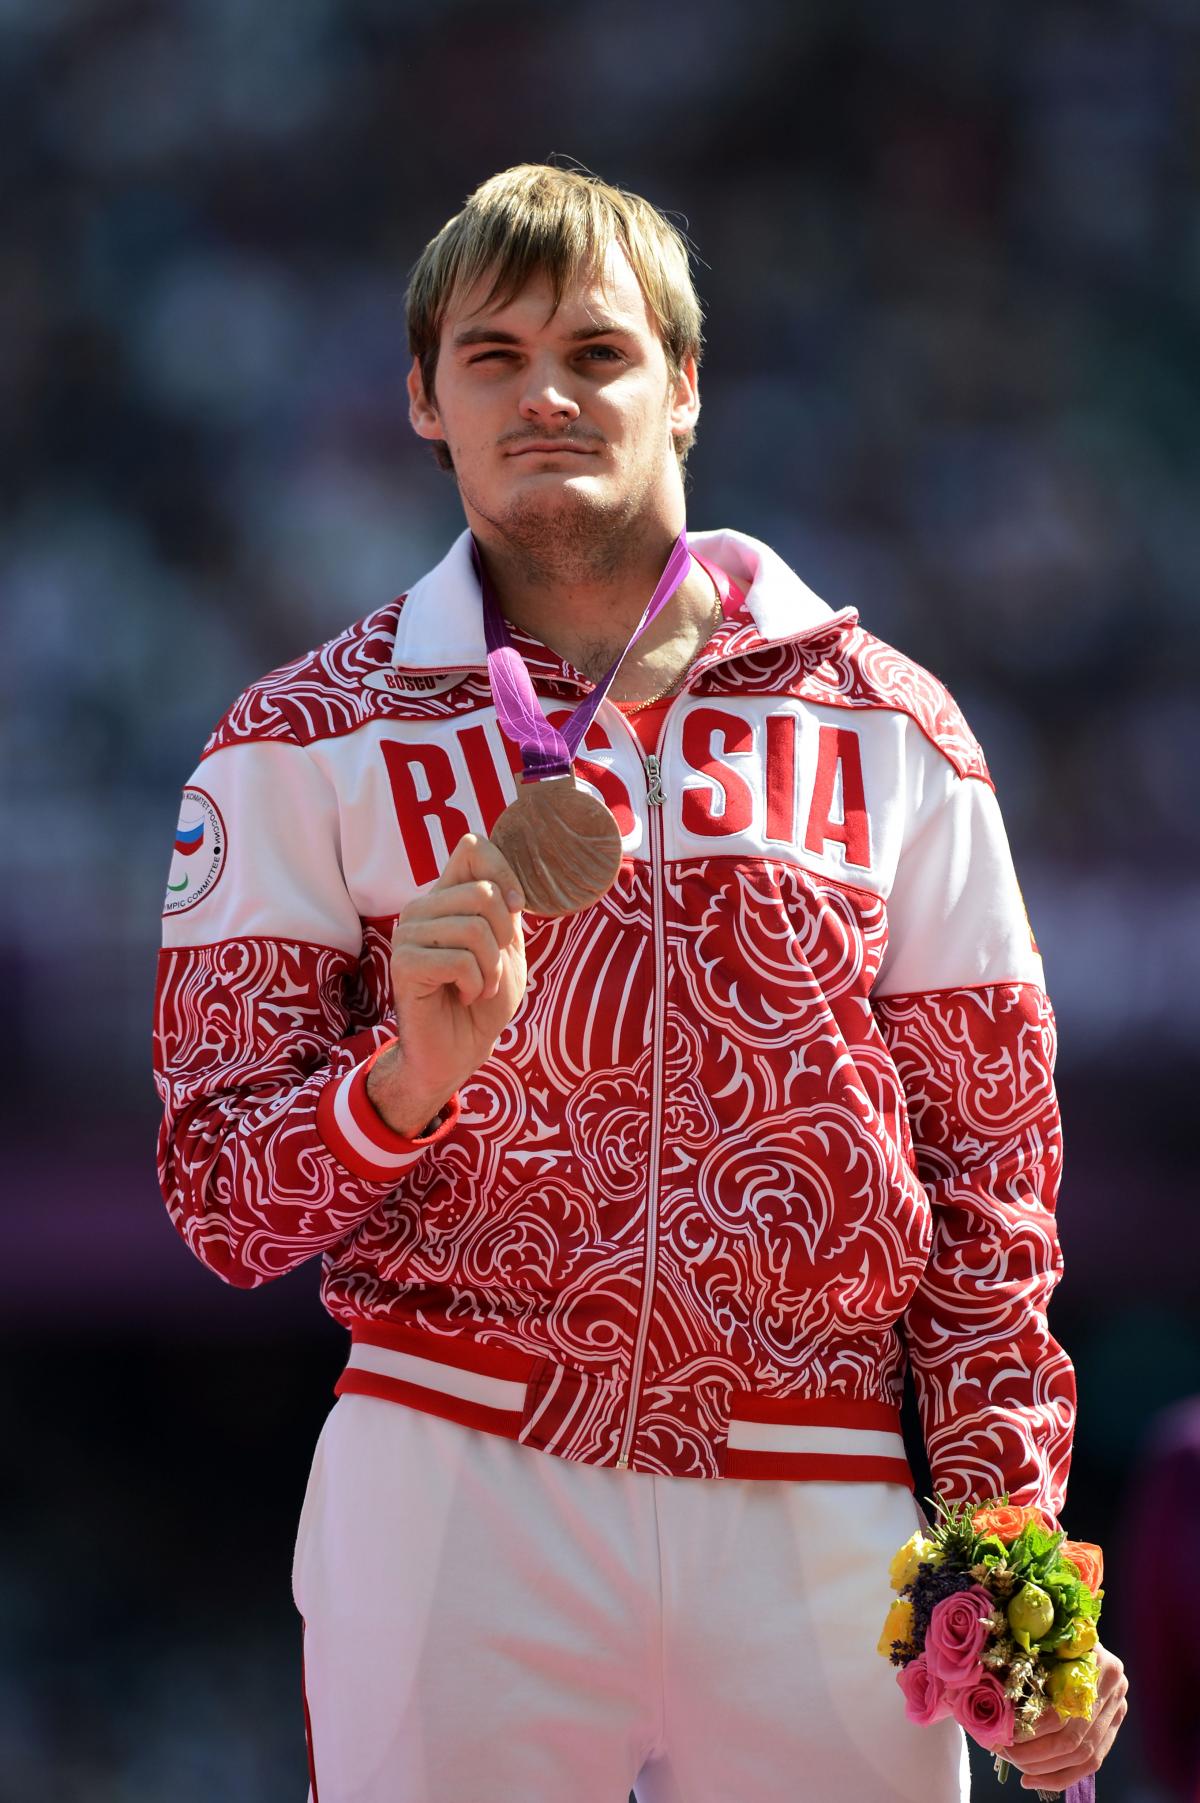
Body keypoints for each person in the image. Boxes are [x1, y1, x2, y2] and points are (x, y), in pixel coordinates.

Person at [154, 164, 1126, 1801]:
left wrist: (1004, 1563)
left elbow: (992, 1200)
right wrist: (397, 1091)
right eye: (494, 356)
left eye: (599, 353)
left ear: (684, 387)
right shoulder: (301, 741)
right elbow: (217, 1197)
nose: (546, 394)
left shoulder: (896, 732)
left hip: (824, 1497)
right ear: (422, 399)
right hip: (457, 1458)